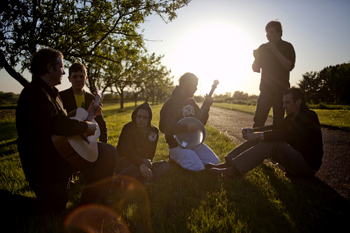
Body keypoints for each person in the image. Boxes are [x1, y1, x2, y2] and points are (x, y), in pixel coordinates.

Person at [16, 47, 117, 215]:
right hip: (45, 166)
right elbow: (56, 124)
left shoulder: (51, 94)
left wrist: (91, 115)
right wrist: (86, 127)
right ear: (50, 68)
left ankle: (91, 201)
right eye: (61, 67)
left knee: (107, 152)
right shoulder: (34, 93)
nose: (63, 72)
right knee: (51, 212)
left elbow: (66, 123)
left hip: (61, 157)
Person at [209, 88, 323, 178]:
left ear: (298, 102)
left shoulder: (309, 116)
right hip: (295, 161)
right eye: (283, 102)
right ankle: (228, 163)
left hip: (307, 167)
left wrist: (259, 135)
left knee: (273, 142)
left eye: (287, 102)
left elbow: (287, 134)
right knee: (262, 137)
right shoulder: (292, 116)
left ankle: (233, 171)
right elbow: (276, 127)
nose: (283, 106)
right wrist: (254, 131)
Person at [159, 72, 220, 171]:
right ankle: (174, 157)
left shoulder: (191, 101)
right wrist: (185, 127)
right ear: (185, 85)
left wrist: (207, 106)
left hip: (193, 143)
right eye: (194, 85)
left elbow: (200, 123)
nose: (196, 88)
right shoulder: (171, 103)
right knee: (199, 168)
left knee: (215, 163)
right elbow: (163, 126)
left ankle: (192, 156)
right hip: (177, 146)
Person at [252, 20, 296, 127]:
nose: (268, 35)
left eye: (271, 32)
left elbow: (289, 66)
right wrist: (256, 58)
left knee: (278, 124)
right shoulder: (263, 47)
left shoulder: (287, 46)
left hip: (281, 92)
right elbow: (255, 68)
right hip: (265, 90)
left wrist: (275, 50)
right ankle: (256, 143)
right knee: (258, 121)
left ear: (279, 33)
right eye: (267, 32)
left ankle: (276, 144)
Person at [114, 102, 170, 184]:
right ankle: (117, 182)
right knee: (146, 162)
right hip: (124, 162)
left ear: (149, 118)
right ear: (135, 116)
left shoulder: (154, 131)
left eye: (145, 117)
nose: (141, 120)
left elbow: (151, 153)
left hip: (143, 163)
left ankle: (132, 180)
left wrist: (146, 166)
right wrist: (141, 164)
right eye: (139, 116)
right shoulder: (128, 128)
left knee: (165, 165)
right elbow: (127, 151)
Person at [60, 62, 108, 143]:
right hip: (68, 141)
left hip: (88, 142)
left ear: (86, 79)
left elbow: (101, 124)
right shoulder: (61, 97)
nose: (78, 79)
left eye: (81, 76)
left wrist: (103, 143)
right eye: (75, 77)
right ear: (69, 79)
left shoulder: (92, 98)